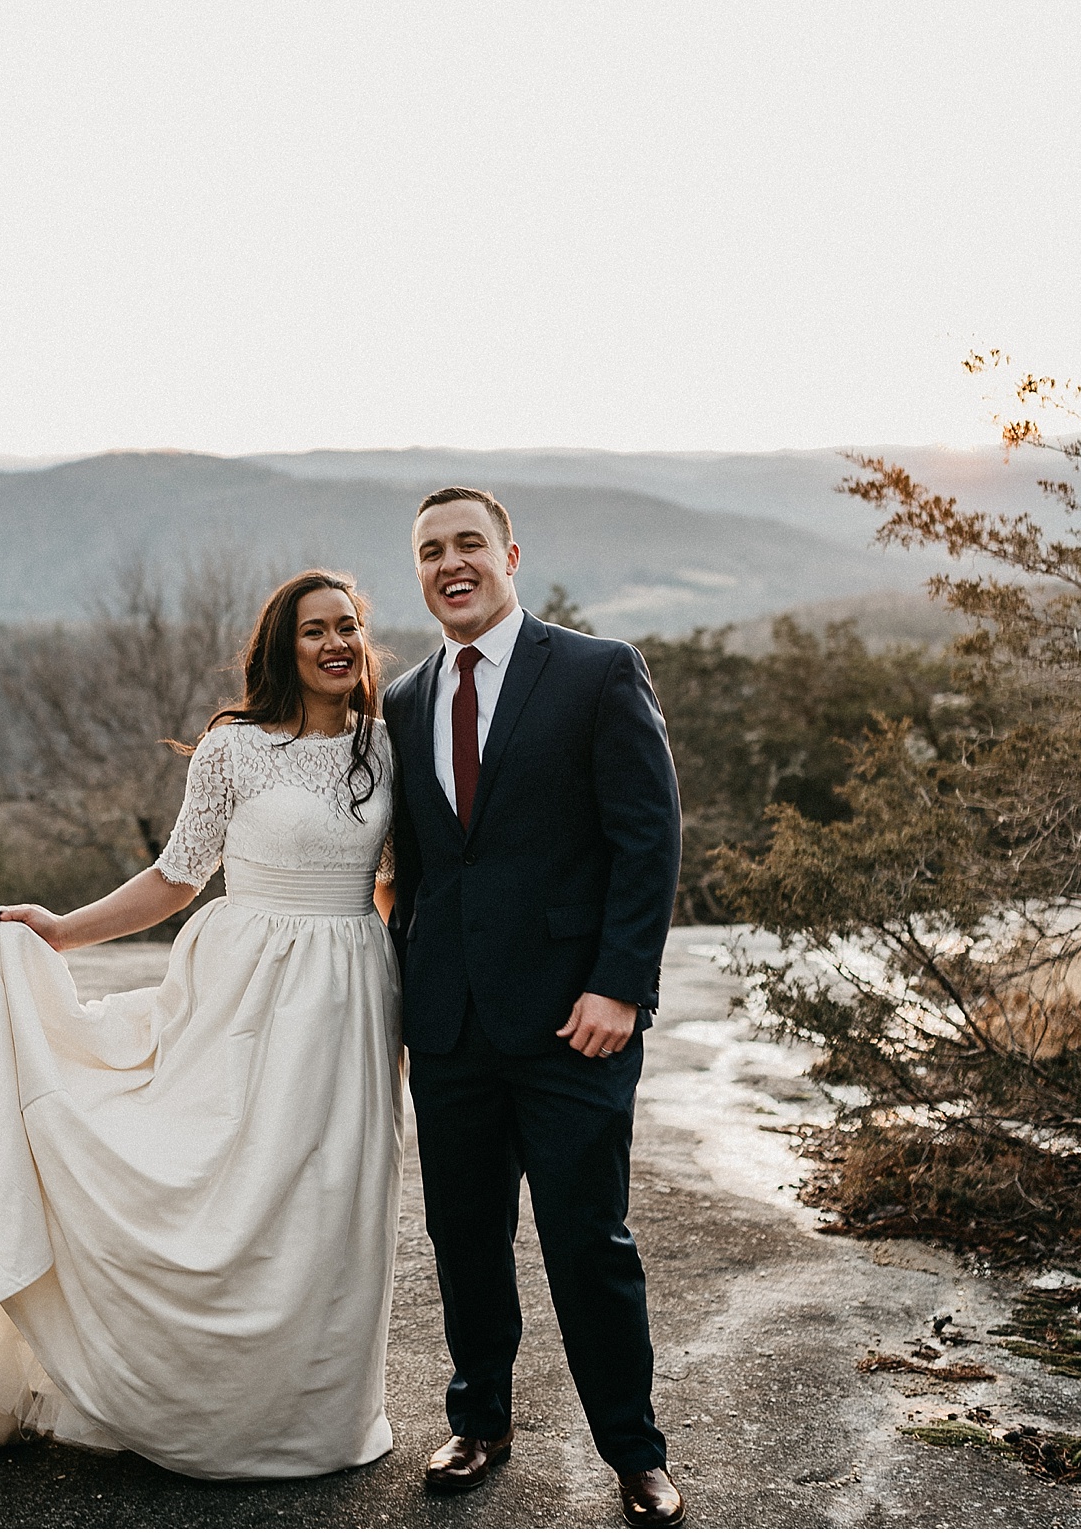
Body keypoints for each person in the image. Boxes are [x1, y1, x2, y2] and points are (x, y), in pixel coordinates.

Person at [0, 569, 405, 1481]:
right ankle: (203, 1408)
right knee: (229, 1190)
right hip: (242, 996)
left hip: (354, 991)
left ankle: (314, 1417)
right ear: (281, 647)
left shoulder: (385, 748)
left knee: (334, 1203)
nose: (334, 643)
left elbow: (403, 881)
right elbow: (175, 876)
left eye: (347, 627)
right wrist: (63, 929)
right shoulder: (234, 749)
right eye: (313, 629)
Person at [381, 486, 688, 1527]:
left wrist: (620, 986)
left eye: (469, 543)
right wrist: (407, 994)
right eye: (430, 551)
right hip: (454, 1026)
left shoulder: (597, 672)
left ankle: (635, 1453)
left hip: (574, 1023)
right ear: (417, 572)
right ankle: (479, 1423)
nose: (450, 563)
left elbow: (648, 839)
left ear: (510, 554)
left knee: (585, 1241)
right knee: (463, 1236)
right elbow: (421, 871)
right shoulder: (407, 699)